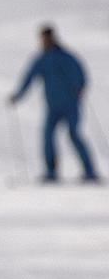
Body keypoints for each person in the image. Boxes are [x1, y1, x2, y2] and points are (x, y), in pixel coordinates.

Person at [10, 25, 99, 183]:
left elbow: (80, 74)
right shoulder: (42, 59)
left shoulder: (65, 57)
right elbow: (29, 78)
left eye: (46, 38)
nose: (44, 41)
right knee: (48, 137)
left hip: (71, 105)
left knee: (74, 134)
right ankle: (51, 172)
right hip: (53, 107)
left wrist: (80, 86)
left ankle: (90, 171)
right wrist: (18, 95)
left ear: (52, 37)